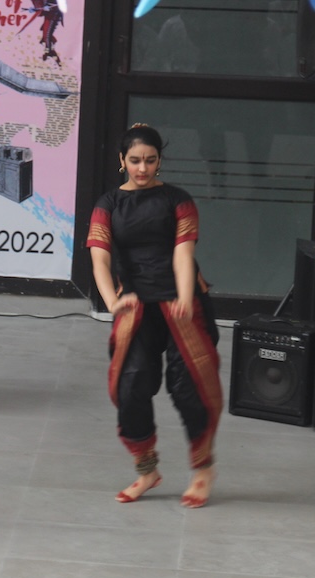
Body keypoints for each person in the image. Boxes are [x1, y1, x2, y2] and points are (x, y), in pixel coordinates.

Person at [86, 124, 223, 508]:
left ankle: (203, 469)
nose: (142, 168)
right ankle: (147, 470)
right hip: (135, 306)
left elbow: (183, 254)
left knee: (190, 388)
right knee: (129, 386)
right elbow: (100, 259)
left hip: (181, 302)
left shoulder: (178, 200)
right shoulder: (108, 204)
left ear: (160, 160)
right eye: (135, 161)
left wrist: (184, 297)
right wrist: (112, 302)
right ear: (122, 160)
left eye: (150, 160)